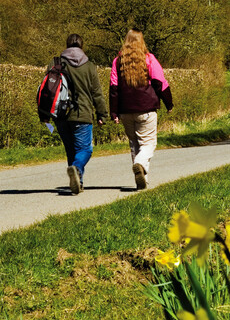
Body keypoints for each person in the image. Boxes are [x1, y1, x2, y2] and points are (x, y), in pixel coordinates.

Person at [109, 28, 173, 190]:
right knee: (148, 144)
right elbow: (160, 83)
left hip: (125, 110)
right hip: (146, 108)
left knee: (134, 144)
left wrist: (114, 112)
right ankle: (139, 164)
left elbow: (114, 89)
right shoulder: (149, 59)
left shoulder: (117, 62)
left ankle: (142, 180)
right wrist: (168, 103)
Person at [55, 33, 109, 195]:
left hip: (61, 115)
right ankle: (77, 170)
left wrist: (44, 113)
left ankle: (79, 183)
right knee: (85, 149)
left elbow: (48, 90)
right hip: (82, 114)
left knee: (71, 150)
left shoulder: (56, 63)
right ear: (82, 46)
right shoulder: (89, 65)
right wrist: (102, 114)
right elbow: (97, 93)